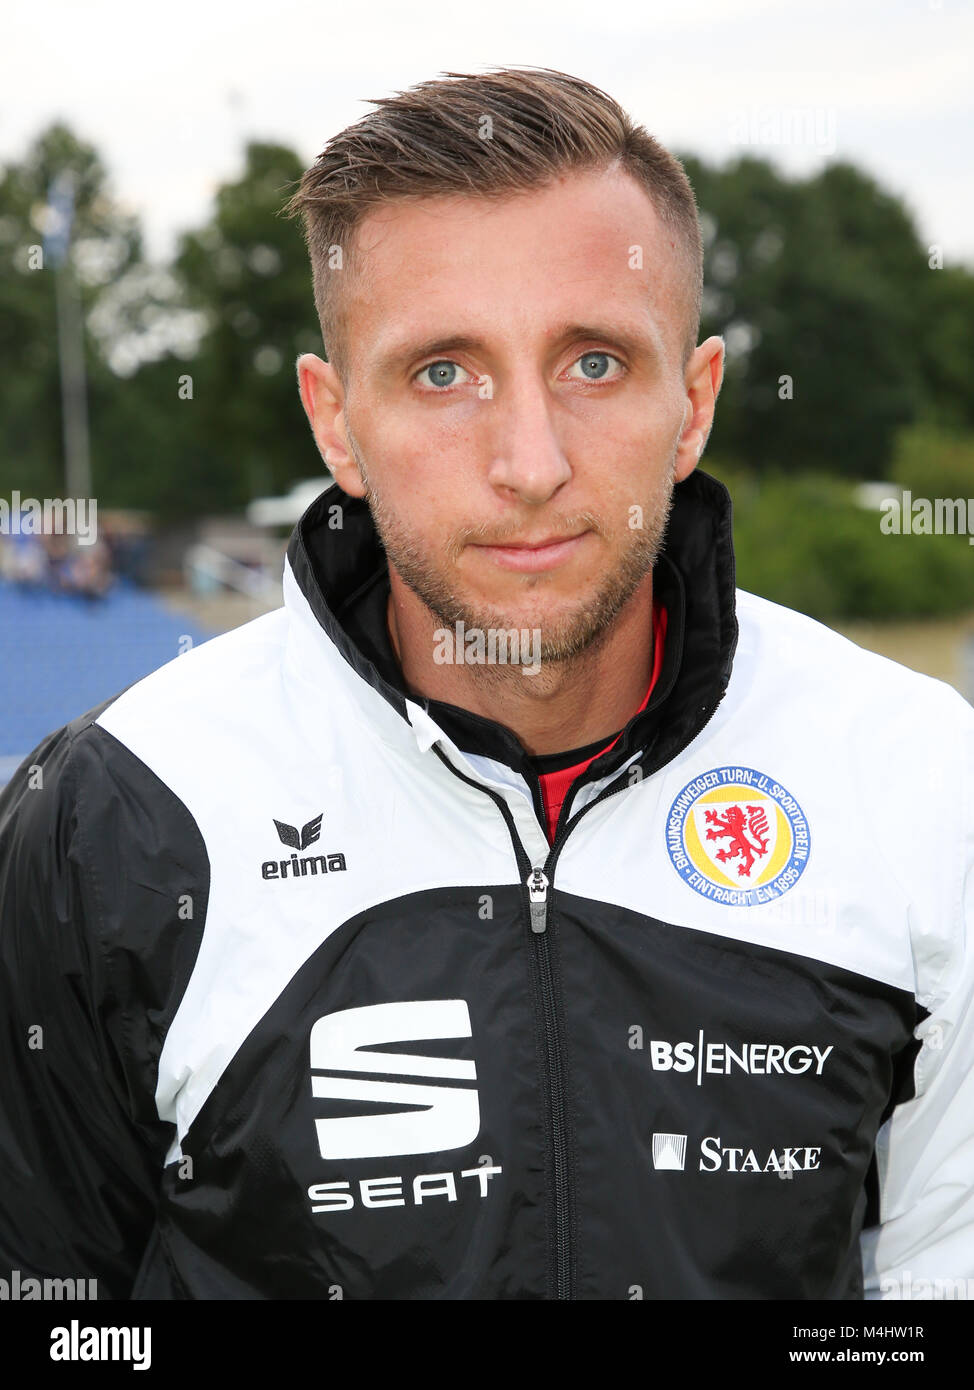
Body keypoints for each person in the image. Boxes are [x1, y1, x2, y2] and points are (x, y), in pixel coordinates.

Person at [0, 66, 971, 1302]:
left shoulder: (920, 779)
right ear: (335, 420)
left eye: (596, 363)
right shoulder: (116, 816)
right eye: (443, 373)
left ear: (694, 402)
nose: (528, 462)